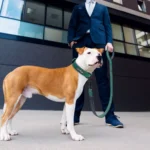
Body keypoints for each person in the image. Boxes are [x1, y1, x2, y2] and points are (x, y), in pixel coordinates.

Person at [67, 0, 124, 128]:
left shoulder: (103, 8)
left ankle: (110, 116)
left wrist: (109, 42)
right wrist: (71, 40)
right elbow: (72, 25)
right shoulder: (78, 7)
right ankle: (75, 116)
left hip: (99, 45)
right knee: (77, 80)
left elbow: (107, 26)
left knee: (102, 79)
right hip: (81, 44)